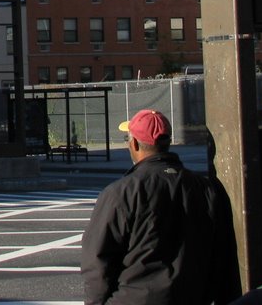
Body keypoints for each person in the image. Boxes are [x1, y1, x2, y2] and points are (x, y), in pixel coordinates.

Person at [80, 109, 239, 305]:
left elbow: (97, 262)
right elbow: (225, 258)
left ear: (134, 144)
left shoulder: (121, 193)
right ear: (168, 142)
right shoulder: (207, 189)